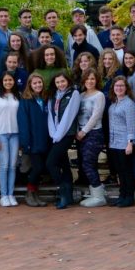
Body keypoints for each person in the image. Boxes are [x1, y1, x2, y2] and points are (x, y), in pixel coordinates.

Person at [45, 72, 80, 209]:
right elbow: (51, 115)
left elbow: (69, 116)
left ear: (68, 81)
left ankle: (63, 191)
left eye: (63, 81)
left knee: (50, 163)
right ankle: (68, 196)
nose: (60, 84)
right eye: (58, 82)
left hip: (67, 133)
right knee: (64, 163)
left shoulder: (74, 94)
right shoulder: (53, 96)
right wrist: (53, 133)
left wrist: (58, 134)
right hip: (55, 134)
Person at [18, 73, 50, 207]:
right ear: (30, 85)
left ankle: (35, 194)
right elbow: (23, 123)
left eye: (39, 82)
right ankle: (30, 193)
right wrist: (26, 143)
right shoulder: (25, 101)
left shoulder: (46, 99)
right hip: (33, 142)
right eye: (35, 83)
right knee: (37, 167)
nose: (38, 85)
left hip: (45, 140)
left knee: (41, 169)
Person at [77, 69, 107, 208]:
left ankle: (99, 196)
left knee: (88, 163)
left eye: (93, 79)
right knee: (88, 164)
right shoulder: (81, 95)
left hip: (94, 133)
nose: (90, 81)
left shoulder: (99, 95)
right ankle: (95, 193)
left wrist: (83, 131)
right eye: (87, 79)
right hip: (81, 134)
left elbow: (96, 116)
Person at [107, 76, 135, 207]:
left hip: (125, 143)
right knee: (120, 171)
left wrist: (130, 142)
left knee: (127, 171)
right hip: (114, 143)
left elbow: (131, 125)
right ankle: (122, 195)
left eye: (121, 86)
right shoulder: (113, 104)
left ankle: (129, 196)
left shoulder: (129, 104)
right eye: (116, 86)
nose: (119, 88)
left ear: (126, 88)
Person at [0, 72, 21, 207]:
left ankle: (11, 194)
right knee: (4, 165)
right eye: (5, 80)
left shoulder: (17, 96)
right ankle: (3, 195)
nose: (8, 82)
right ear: (2, 81)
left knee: (12, 165)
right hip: (2, 134)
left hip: (15, 134)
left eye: (10, 80)